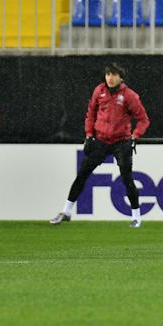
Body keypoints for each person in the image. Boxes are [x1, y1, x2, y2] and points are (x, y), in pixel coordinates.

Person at [51, 63, 150, 228]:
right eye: (108, 74)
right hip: (101, 140)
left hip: (121, 141)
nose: (110, 78)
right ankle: (66, 211)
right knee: (82, 174)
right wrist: (89, 135)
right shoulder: (99, 90)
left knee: (127, 178)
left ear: (121, 77)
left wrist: (135, 136)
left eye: (114, 75)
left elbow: (143, 119)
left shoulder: (129, 95)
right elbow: (91, 113)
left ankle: (136, 217)